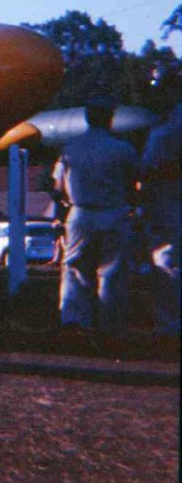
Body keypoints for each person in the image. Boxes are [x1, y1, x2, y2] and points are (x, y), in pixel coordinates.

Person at [52, 97, 139, 342]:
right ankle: (110, 326)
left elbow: (58, 185)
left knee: (75, 267)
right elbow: (134, 181)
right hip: (113, 210)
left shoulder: (71, 147)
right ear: (110, 118)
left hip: (80, 211)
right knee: (112, 271)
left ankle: (74, 320)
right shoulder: (123, 149)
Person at [140, 92, 181, 341]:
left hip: (167, 198)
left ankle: (170, 324)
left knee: (166, 260)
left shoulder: (164, 131)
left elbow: (151, 168)